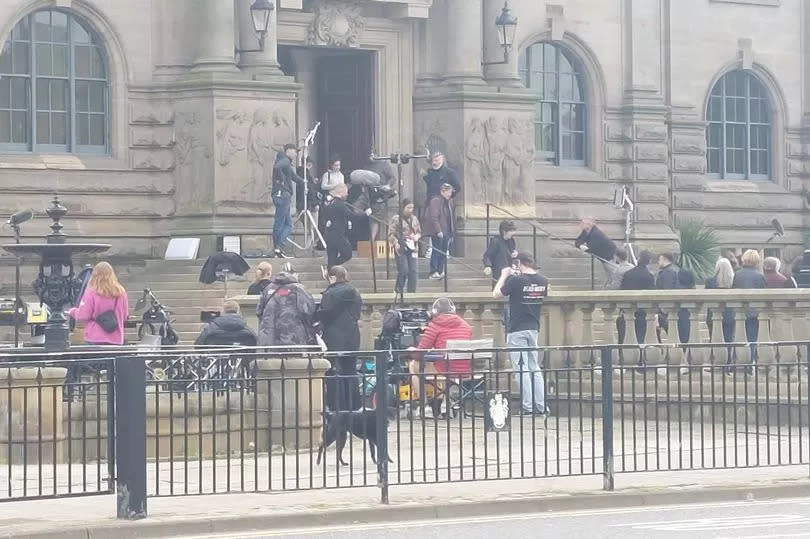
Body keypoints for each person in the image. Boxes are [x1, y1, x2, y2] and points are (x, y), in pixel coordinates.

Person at [493, 252, 550, 415]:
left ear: (520, 263)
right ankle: (541, 406)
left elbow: (496, 293)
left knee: (521, 369)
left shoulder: (516, 280)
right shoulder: (543, 280)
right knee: (535, 367)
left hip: (517, 328)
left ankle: (528, 407)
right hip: (534, 327)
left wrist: (504, 275)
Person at [408, 297, 472, 419]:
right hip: (465, 371)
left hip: (445, 369)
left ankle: (425, 406)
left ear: (435, 312)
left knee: (414, 365)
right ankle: (445, 403)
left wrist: (411, 350)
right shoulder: (465, 325)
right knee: (440, 366)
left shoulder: (435, 325)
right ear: (453, 310)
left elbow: (419, 353)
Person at [318, 266, 362, 411]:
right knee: (351, 371)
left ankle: (337, 407)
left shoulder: (329, 294)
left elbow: (324, 315)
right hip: (352, 337)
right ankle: (354, 406)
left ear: (332, 277)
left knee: (334, 373)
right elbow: (356, 314)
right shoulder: (355, 292)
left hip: (334, 337)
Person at [68, 262, 129, 346]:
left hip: (94, 338)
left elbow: (83, 316)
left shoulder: (91, 292)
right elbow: (125, 316)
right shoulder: (121, 292)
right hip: (116, 339)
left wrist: (73, 311)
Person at [256, 268, 316, 347]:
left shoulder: (268, 288)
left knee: (271, 358)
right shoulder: (299, 289)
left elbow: (259, 311)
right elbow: (309, 310)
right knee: (294, 358)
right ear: (295, 275)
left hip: (269, 337)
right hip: (294, 337)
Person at [322, 183, 371, 270]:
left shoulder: (331, 203)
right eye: (346, 193)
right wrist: (365, 215)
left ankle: (330, 269)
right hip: (338, 234)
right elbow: (352, 216)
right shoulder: (340, 205)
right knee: (347, 254)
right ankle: (331, 267)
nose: (347, 194)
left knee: (332, 256)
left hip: (329, 233)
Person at [732, 249, 767, 371]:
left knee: (738, 338)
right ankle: (748, 365)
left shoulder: (737, 274)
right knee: (752, 340)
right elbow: (764, 295)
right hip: (754, 312)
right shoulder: (759, 276)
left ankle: (736, 364)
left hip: (739, 311)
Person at [272, 143, 305, 259]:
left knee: (288, 224)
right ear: (289, 150)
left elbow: (293, 176)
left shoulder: (285, 163)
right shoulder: (285, 161)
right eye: (295, 151)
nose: (296, 154)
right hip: (283, 194)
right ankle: (277, 246)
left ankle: (278, 248)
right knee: (281, 222)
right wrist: (281, 181)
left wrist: (304, 182)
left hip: (282, 194)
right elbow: (277, 169)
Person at [619, 250, 655, 354]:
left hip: (628, 309)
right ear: (649, 261)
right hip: (642, 311)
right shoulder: (649, 276)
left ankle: (624, 359)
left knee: (626, 335)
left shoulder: (628, 274)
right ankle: (640, 360)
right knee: (640, 336)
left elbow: (623, 290)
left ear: (638, 259)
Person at [705, 257, 736, 365]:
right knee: (728, 340)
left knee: (714, 340)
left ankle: (716, 363)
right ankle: (727, 363)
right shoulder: (734, 281)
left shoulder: (710, 281)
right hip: (729, 314)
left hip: (713, 314)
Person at [389, 198, 421, 294]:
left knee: (413, 271)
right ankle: (398, 289)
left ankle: (412, 292)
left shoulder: (414, 219)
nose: (410, 210)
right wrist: (395, 243)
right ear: (403, 207)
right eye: (408, 207)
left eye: (412, 208)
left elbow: (419, 232)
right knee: (404, 269)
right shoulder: (396, 218)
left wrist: (416, 237)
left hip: (413, 247)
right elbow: (391, 233)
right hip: (401, 246)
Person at [422, 183, 455, 279]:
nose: (450, 194)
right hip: (439, 231)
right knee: (436, 250)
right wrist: (438, 230)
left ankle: (440, 270)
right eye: (448, 192)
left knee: (443, 251)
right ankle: (434, 271)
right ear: (442, 192)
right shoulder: (436, 200)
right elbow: (434, 217)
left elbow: (449, 217)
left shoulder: (447, 202)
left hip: (446, 231)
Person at [574, 218, 618, 286]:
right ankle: (610, 286)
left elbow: (592, 248)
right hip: (603, 256)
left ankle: (615, 287)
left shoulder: (596, 233)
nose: (581, 225)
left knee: (612, 272)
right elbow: (577, 241)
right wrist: (581, 246)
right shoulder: (585, 231)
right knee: (609, 272)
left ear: (589, 225)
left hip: (609, 255)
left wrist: (585, 247)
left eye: (583, 223)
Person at [483, 221, 517, 285]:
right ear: (504, 231)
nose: (513, 233)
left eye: (513, 231)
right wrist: (487, 266)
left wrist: (515, 253)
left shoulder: (511, 240)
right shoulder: (495, 241)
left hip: (509, 270)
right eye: (511, 231)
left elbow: (512, 252)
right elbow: (487, 255)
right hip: (499, 271)